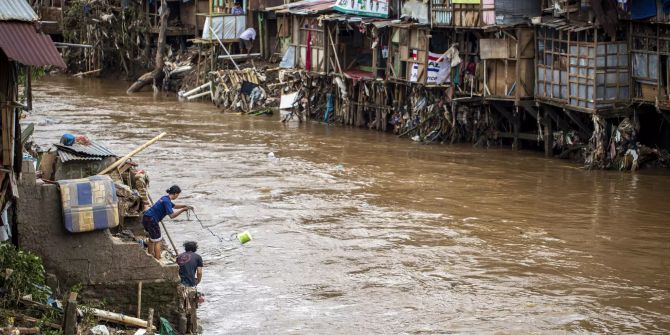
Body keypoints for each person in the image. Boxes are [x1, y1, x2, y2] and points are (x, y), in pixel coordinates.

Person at [142, 185, 192, 260]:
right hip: (152, 220)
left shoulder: (164, 198)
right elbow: (172, 216)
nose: (177, 196)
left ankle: (150, 256)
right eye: (178, 195)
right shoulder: (167, 201)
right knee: (158, 240)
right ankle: (158, 259)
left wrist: (184, 206)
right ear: (175, 193)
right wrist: (183, 210)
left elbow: (174, 206)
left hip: (146, 217)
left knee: (152, 239)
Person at [177, 241, 203, 334]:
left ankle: (182, 331)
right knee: (192, 310)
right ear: (195, 248)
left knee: (182, 309)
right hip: (191, 286)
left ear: (186, 248)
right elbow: (199, 272)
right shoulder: (198, 257)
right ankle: (193, 331)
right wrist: (198, 281)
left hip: (180, 286)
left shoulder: (179, 257)